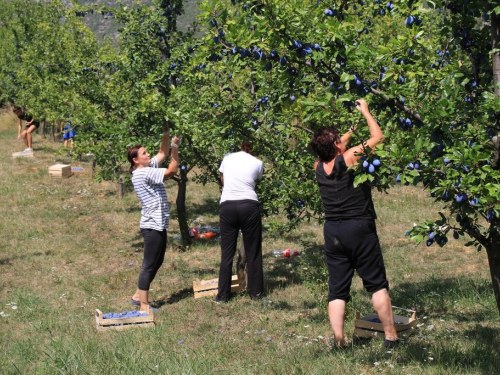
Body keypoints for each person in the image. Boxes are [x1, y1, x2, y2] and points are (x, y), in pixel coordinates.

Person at [310, 99, 398, 347]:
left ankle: (339, 342)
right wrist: (367, 113)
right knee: (376, 284)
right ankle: (391, 337)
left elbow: (338, 145)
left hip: (333, 231)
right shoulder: (349, 159)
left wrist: (352, 125)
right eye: (339, 138)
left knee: (337, 289)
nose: (343, 139)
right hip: (358, 227)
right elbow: (378, 138)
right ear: (336, 145)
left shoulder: (319, 165)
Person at [127, 128, 181, 312]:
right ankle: (144, 306)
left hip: (158, 223)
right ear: (136, 160)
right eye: (144, 153)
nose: (148, 154)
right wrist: (175, 146)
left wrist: (166, 134)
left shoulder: (147, 168)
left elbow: (162, 153)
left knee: (157, 261)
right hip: (152, 225)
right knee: (149, 265)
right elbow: (172, 170)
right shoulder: (143, 173)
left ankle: (137, 296)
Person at [215, 141, 264, 303]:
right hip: (249, 205)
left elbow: (223, 180)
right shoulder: (258, 163)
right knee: (253, 251)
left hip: (228, 205)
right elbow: (255, 181)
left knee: (226, 252)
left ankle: (222, 295)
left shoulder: (227, 158)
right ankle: (255, 293)